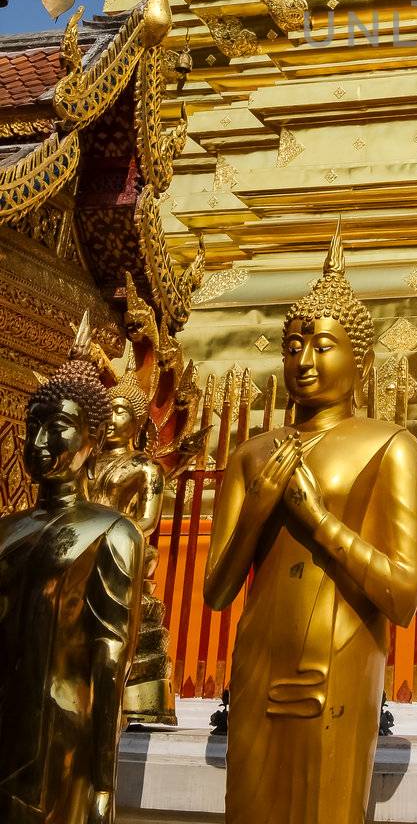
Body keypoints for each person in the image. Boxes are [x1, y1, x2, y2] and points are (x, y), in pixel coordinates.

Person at [204, 225, 417, 824]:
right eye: (293, 345)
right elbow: (218, 591)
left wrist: (317, 518)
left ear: (361, 358)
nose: (303, 360)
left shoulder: (391, 447)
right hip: (256, 663)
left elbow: (403, 595)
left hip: (338, 663)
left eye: (322, 345)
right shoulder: (253, 456)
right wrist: (259, 508)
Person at [0, 319, 143, 824]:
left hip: (59, 734)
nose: (39, 440)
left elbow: (110, 659)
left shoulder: (113, 532)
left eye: (56, 426)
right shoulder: (6, 529)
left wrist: (104, 780)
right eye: (33, 425)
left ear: (93, 438)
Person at [90, 373, 175, 723]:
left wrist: (109, 537)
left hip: (122, 549)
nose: (112, 419)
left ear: (137, 421)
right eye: (107, 410)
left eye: (121, 411)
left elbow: (147, 521)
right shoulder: (86, 463)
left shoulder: (145, 469)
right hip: (84, 551)